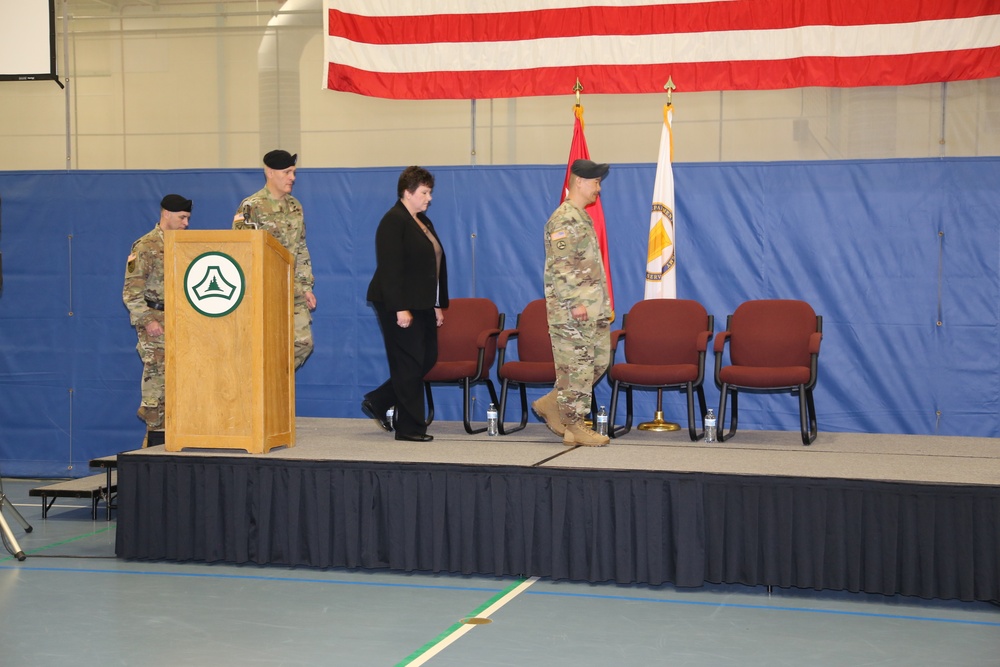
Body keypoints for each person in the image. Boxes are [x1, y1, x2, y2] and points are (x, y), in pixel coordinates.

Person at [363, 166, 448, 442]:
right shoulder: (393, 221)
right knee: (409, 363)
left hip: (422, 302)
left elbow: (433, 267)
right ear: (407, 192)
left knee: (428, 357)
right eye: (424, 192)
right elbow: (390, 268)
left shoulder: (423, 221)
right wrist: (399, 307)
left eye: (430, 192)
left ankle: (379, 399)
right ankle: (409, 428)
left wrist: (437, 304)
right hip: (395, 301)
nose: (429, 198)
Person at [533, 159, 613, 447]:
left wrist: (600, 307)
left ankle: (553, 403)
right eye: (595, 182)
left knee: (598, 361)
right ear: (579, 181)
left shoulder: (581, 216)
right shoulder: (564, 219)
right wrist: (575, 302)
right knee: (576, 368)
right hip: (572, 312)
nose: (598, 188)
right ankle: (575, 425)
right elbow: (562, 266)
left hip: (592, 310)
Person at [233, 149, 316, 369]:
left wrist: (306, 286)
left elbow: (301, 248)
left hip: (293, 289)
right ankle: (263, 384)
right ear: (270, 172)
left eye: (294, 173)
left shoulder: (295, 207)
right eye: (287, 172)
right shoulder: (251, 207)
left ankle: (274, 381)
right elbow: (241, 252)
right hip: (263, 290)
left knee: (303, 342)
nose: (292, 178)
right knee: (264, 344)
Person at [123, 193, 192, 447]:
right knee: (158, 387)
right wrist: (148, 322)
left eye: (187, 218)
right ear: (166, 214)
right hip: (156, 323)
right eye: (182, 217)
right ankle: (152, 450)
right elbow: (131, 293)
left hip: (182, 321)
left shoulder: (186, 246)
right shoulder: (145, 246)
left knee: (179, 388)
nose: (186, 223)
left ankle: (171, 449)